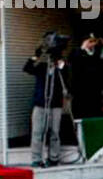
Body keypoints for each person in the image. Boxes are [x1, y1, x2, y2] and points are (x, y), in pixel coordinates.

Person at [22, 35, 68, 168]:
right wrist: (36, 56)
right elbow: (27, 68)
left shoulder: (61, 67)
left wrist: (59, 61)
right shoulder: (42, 67)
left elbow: (66, 75)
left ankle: (53, 157)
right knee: (37, 132)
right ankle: (36, 158)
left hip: (55, 104)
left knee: (55, 132)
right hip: (40, 103)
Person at [67, 35, 103, 119]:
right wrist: (82, 48)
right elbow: (71, 61)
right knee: (80, 112)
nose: (92, 44)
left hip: (95, 89)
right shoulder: (76, 51)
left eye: (94, 41)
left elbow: (102, 70)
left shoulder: (98, 53)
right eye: (90, 41)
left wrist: (102, 87)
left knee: (95, 112)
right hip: (80, 89)